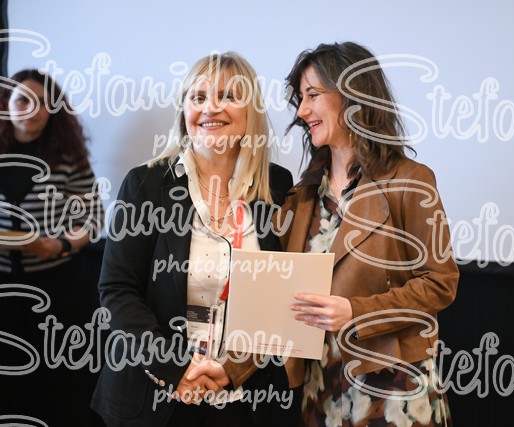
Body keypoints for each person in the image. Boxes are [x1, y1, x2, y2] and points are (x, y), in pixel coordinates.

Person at [91, 52, 300, 427]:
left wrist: (233, 368)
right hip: (156, 397)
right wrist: (176, 368)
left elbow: (282, 298)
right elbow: (117, 289)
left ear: (250, 111)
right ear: (184, 110)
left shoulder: (277, 187)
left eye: (227, 96)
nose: (210, 108)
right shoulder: (144, 184)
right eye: (198, 97)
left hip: (245, 399)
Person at [280, 42, 460, 426]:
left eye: (312, 95)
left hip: (393, 392)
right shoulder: (301, 196)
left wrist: (356, 312)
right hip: (321, 390)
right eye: (300, 98)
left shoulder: (412, 181)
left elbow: (440, 283)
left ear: (352, 95)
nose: (301, 111)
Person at [0, 69, 105, 425]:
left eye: (43, 103)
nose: (33, 109)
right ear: (7, 103)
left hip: (56, 287)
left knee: (52, 384)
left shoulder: (67, 157)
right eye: (23, 100)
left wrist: (60, 244)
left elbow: (93, 217)